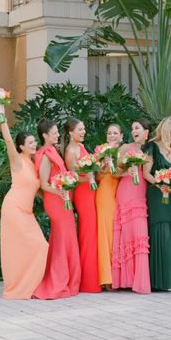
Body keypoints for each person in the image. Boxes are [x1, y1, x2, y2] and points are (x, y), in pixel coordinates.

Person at [0, 105, 48, 299]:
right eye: (31, 142)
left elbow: (39, 189)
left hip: (27, 212)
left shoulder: (35, 164)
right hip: (14, 208)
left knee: (40, 245)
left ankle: (30, 285)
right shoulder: (17, 161)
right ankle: (20, 287)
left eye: (35, 142)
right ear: (21, 147)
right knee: (24, 247)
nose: (34, 145)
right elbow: (8, 139)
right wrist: (1, 114)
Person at [33, 119, 81, 299]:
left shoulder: (54, 151)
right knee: (62, 239)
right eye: (54, 133)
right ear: (45, 135)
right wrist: (61, 192)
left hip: (63, 200)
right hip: (55, 201)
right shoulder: (45, 154)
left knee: (66, 238)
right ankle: (58, 281)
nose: (57, 135)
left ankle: (70, 280)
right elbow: (44, 185)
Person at [112, 118, 151, 294]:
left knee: (140, 233)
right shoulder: (125, 148)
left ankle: (140, 279)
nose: (134, 130)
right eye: (133, 128)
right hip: (126, 190)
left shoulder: (150, 149)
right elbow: (115, 171)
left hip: (141, 191)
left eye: (138, 128)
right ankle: (125, 279)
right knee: (127, 231)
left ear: (146, 132)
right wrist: (127, 171)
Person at [142, 116, 171, 290]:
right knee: (159, 229)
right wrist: (160, 185)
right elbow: (146, 173)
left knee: (170, 227)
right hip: (156, 194)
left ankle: (169, 278)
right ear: (169, 132)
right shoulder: (152, 147)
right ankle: (158, 280)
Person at [64, 118, 101, 293]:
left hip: (90, 191)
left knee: (92, 232)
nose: (83, 131)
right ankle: (87, 281)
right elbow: (73, 176)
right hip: (82, 194)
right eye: (80, 129)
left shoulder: (80, 147)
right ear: (71, 132)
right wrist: (89, 176)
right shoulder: (71, 150)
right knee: (87, 233)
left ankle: (93, 278)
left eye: (83, 128)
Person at [96, 124, 123, 289]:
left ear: (121, 136)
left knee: (120, 234)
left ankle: (121, 276)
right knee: (107, 233)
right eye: (109, 133)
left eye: (115, 133)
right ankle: (108, 278)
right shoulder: (100, 152)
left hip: (122, 194)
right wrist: (104, 165)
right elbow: (97, 177)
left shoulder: (124, 152)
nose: (112, 135)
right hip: (106, 193)